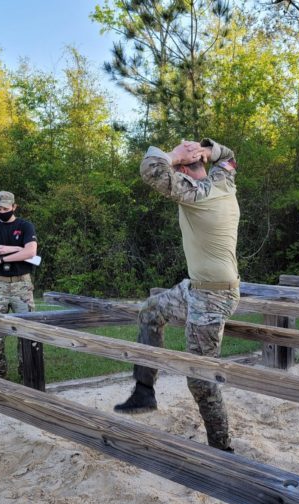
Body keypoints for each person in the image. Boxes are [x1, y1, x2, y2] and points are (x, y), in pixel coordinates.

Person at [114, 138, 240, 452]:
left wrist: (173, 155)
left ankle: (221, 448)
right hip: (198, 288)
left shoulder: (196, 194)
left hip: (213, 298)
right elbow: (230, 156)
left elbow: (151, 169)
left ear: (182, 170)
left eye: (178, 166)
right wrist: (208, 149)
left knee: (199, 378)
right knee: (151, 310)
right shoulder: (223, 180)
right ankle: (145, 390)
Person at [0, 191, 38, 378]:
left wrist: (1, 256)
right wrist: (16, 249)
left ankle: (28, 374)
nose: (2, 211)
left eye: (5, 208)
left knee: (28, 333)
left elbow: (30, 253)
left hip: (22, 284)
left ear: (14, 206)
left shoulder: (25, 226)